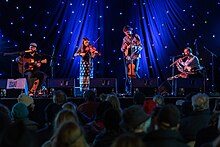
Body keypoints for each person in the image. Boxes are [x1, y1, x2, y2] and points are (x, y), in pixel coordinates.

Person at [121, 25, 143, 94]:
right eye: (126, 32)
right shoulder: (124, 38)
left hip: (135, 57)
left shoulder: (135, 36)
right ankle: (129, 90)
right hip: (128, 58)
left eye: (128, 32)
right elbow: (122, 49)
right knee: (128, 74)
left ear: (131, 30)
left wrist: (133, 48)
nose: (127, 33)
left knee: (134, 72)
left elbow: (140, 47)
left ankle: (140, 86)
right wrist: (124, 48)